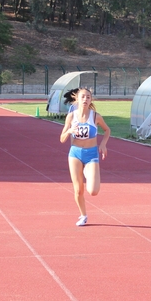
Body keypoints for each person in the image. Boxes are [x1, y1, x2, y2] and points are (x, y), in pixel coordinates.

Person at [59, 88, 111, 226]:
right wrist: (69, 130)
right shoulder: (71, 116)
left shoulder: (95, 116)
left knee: (93, 191)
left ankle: (88, 172)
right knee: (78, 189)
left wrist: (103, 144)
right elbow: (62, 139)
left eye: (88, 97)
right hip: (75, 154)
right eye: (83, 97)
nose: (85, 99)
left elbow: (107, 130)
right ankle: (83, 215)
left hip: (91, 153)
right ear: (77, 99)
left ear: (90, 100)